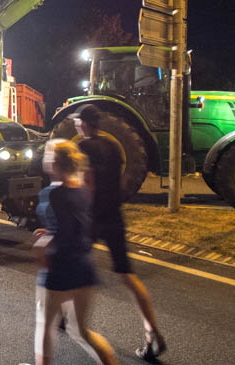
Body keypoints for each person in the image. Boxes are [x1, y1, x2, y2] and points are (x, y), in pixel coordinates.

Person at [71, 104, 167, 362]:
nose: (76, 126)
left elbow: (87, 184)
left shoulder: (82, 147)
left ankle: (65, 316)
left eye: (78, 122)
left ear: (85, 123)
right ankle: (153, 333)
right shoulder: (113, 146)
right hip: (114, 215)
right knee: (127, 275)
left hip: (93, 217)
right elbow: (120, 180)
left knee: (74, 265)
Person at [33, 139, 117, 365]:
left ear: (53, 163)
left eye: (47, 155)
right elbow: (72, 224)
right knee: (80, 330)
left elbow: (58, 233)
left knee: (45, 325)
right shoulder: (82, 190)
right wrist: (51, 230)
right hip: (85, 267)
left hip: (60, 266)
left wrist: (41, 246)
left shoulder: (51, 193)